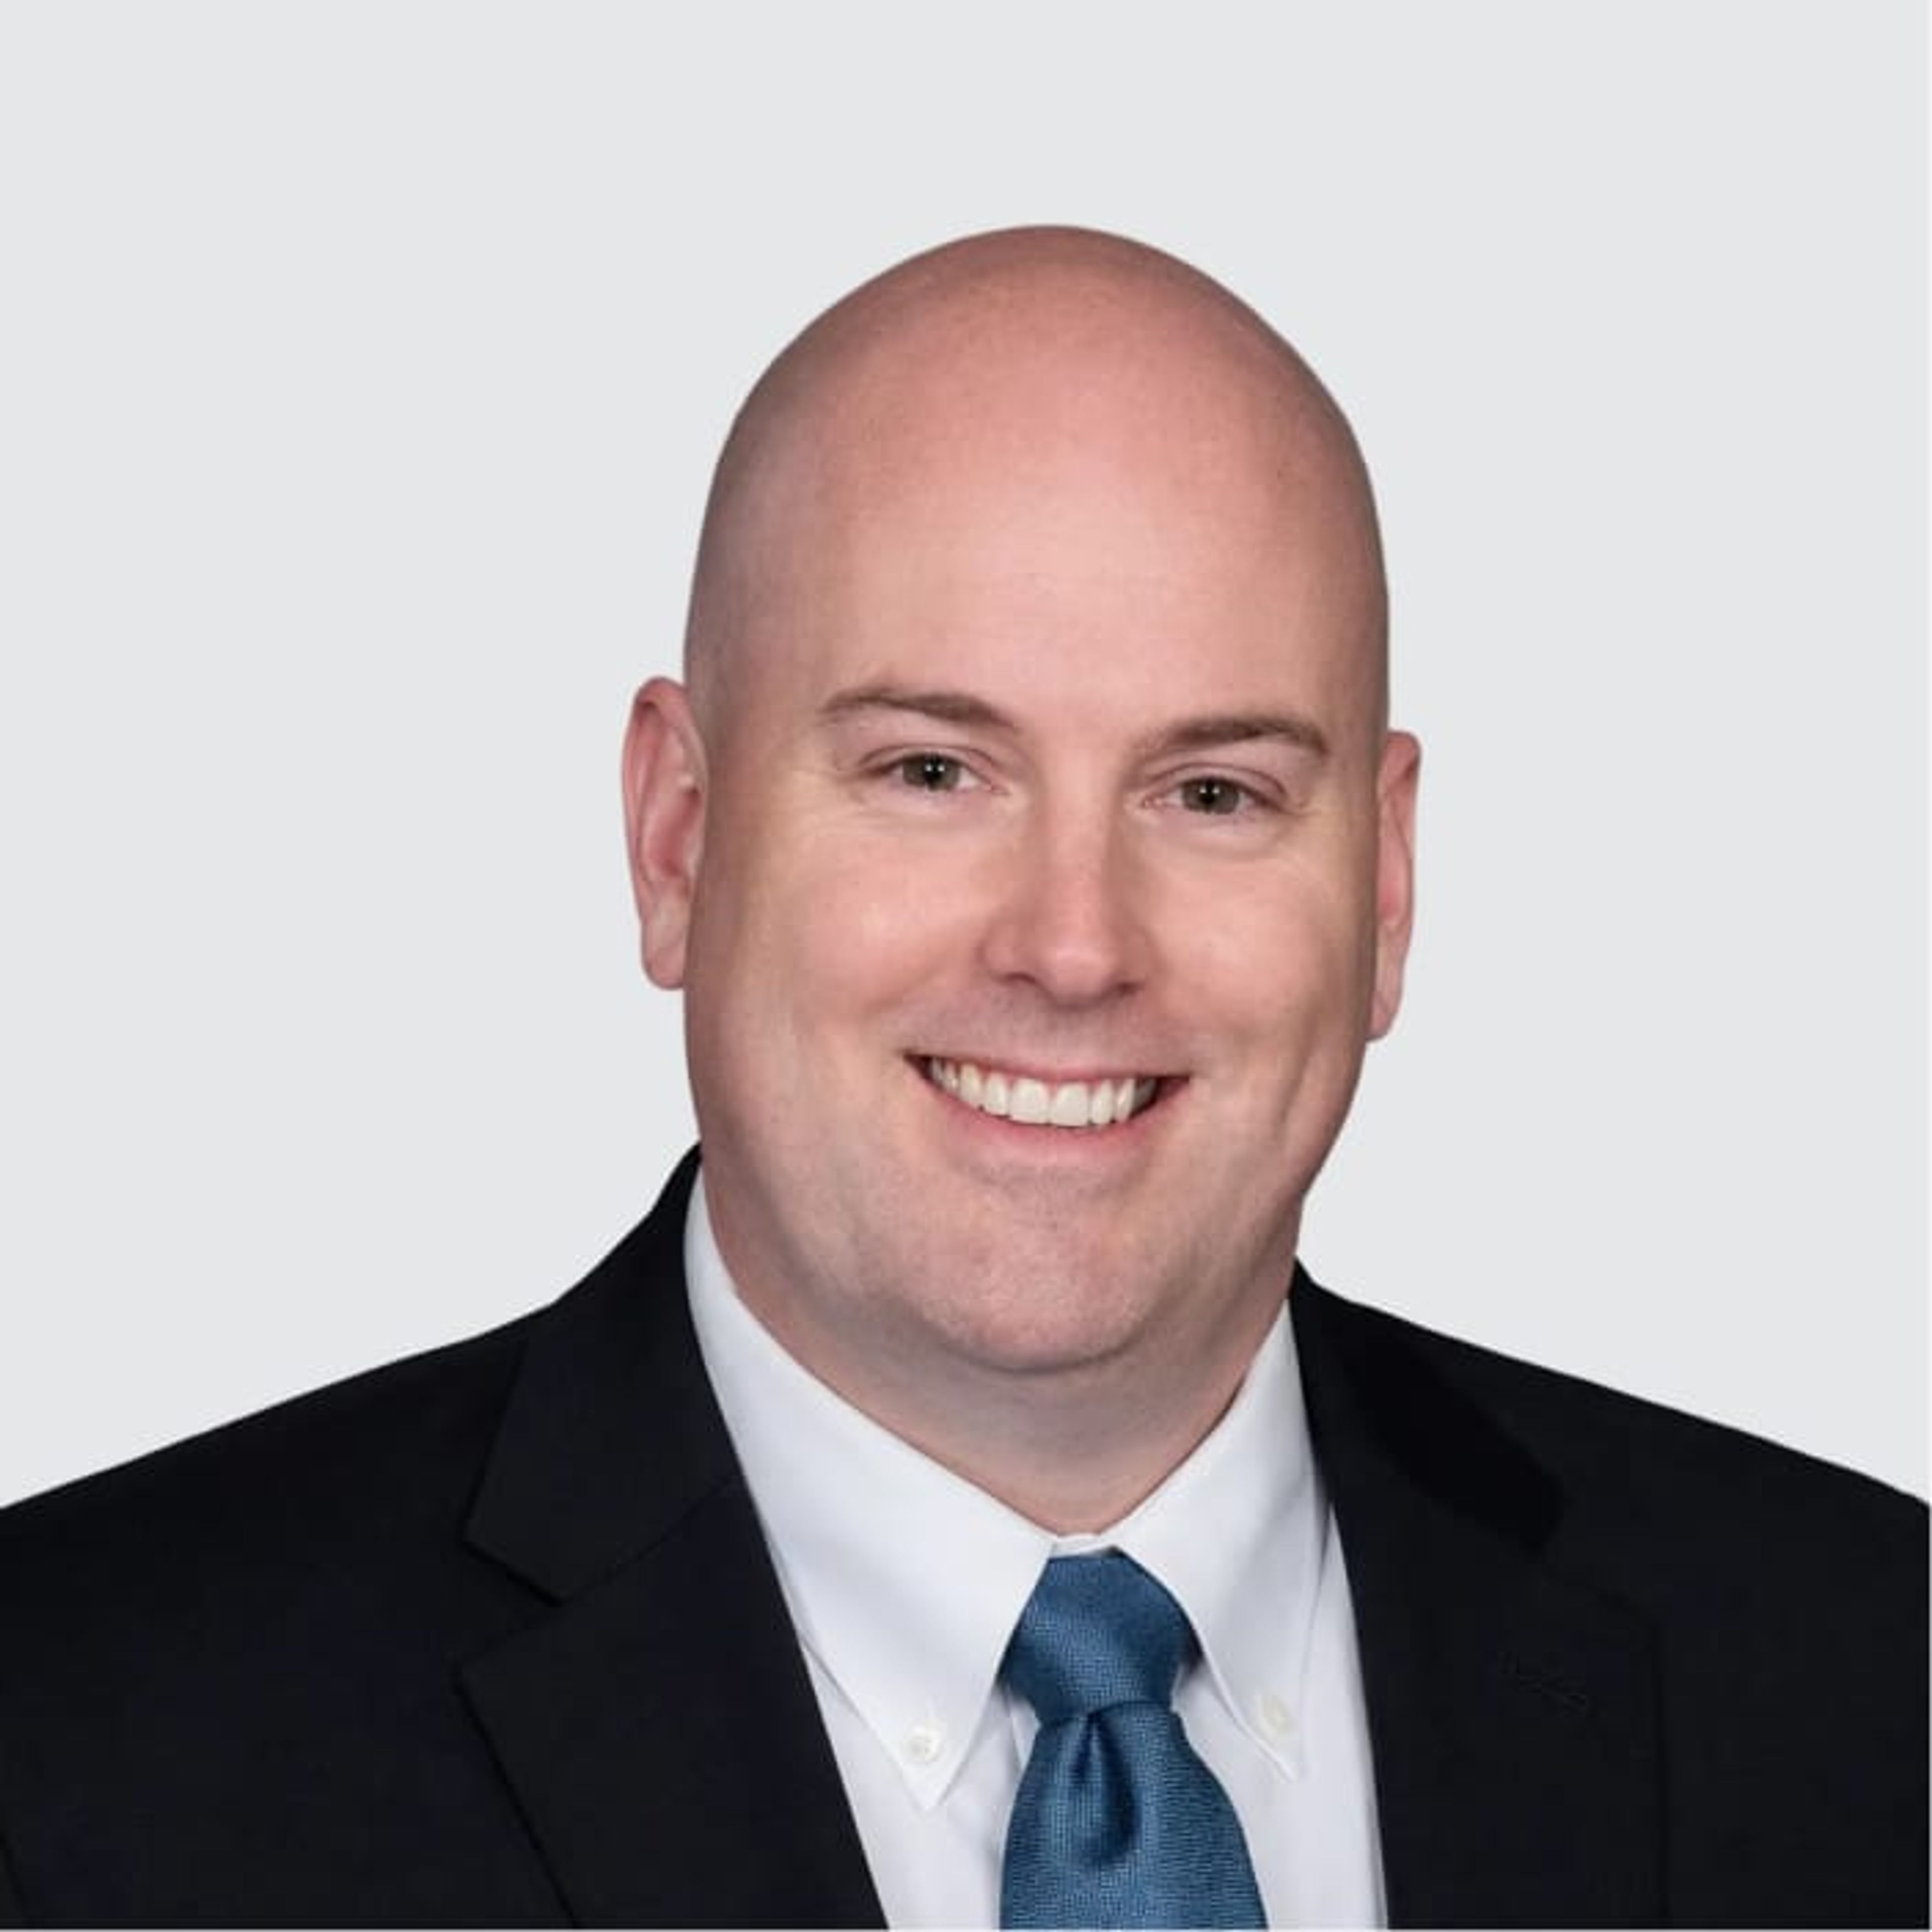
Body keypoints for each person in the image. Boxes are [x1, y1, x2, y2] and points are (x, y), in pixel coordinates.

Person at [0, 227, 1921, 1929]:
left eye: (1214, 792)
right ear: (677, 838)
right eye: (932, 771)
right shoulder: (78, 1741)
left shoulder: (1870, 1678)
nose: (1074, 946)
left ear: (1387, 885)